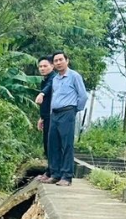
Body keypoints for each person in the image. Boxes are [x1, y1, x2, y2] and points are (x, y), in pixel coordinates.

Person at [46, 51, 88, 186]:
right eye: (55, 61)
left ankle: (66, 176)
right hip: (55, 114)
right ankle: (55, 174)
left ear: (67, 60)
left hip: (67, 112)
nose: (58, 63)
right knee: (53, 144)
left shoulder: (74, 76)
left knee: (66, 145)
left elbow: (83, 96)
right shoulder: (55, 79)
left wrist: (75, 110)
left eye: (60, 60)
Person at [35, 56, 55, 181]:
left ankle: (51, 173)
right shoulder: (45, 79)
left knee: (51, 145)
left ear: (52, 66)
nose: (42, 68)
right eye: (40, 66)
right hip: (46, 116)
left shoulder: (53, 78)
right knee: (47, 146)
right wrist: (41, 117)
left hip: (53, 116)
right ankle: (49, 172)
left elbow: (48, 89)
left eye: (45, 66)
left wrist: (42, 93)